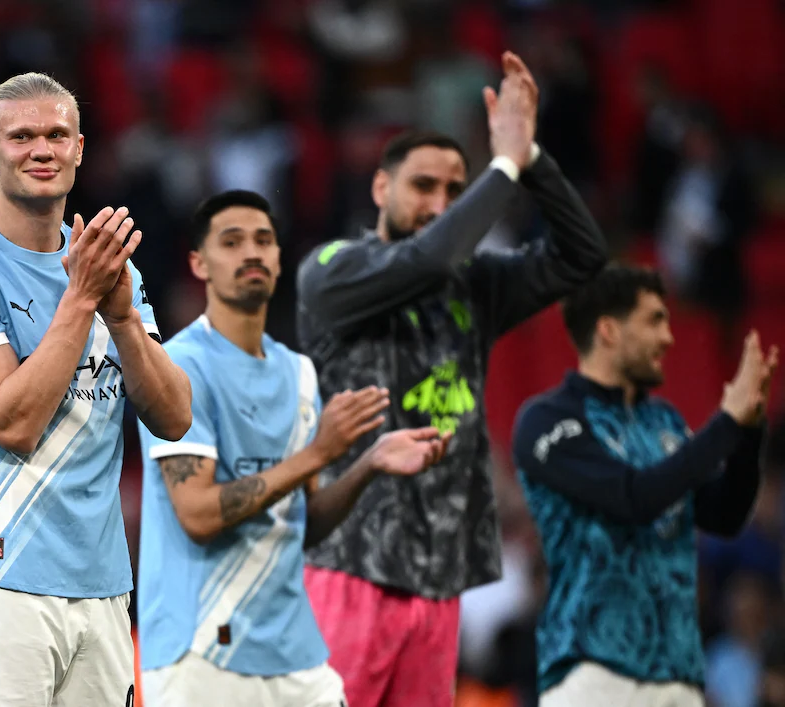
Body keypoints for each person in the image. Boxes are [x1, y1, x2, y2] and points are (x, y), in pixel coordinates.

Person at [295, 52, 609, 707]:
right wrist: (502, 168)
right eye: (423, 186)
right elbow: (430, 254)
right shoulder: (334, 269)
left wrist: (532, 159)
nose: (440, 204)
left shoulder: (474, 286)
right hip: (353, 565)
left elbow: (583, 254)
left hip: (442, 574)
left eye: (453, 189)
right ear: (381, 189)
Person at [0, 72, 192, 707]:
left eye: (57, 134)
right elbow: (13, 420)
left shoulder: (111, 268)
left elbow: (174, 417)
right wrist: (84, 297)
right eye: (21, 136)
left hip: (105, 586)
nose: (41, 149)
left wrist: (119, 317)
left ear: (80, 148)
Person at [137, 190, 451, 707]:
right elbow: (197, 513)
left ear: (281, 258)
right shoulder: (178, 369)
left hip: (294, 651)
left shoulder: (299, 373)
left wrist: (369, 464)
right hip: (201, 648)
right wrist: (318, 454)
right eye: (232, 242)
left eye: (264, 240)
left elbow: (305, 521)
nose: (252, 253)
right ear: (199, 263)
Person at [512, 264, 776, 706]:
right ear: (609, 330)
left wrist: (747, 431)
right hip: (593, 673)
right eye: (654, 320)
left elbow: (725, 515)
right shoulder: (550, 420)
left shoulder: (665, 423)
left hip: (679, 676)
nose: (669, 338)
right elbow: (632, 498)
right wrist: (725, 424)